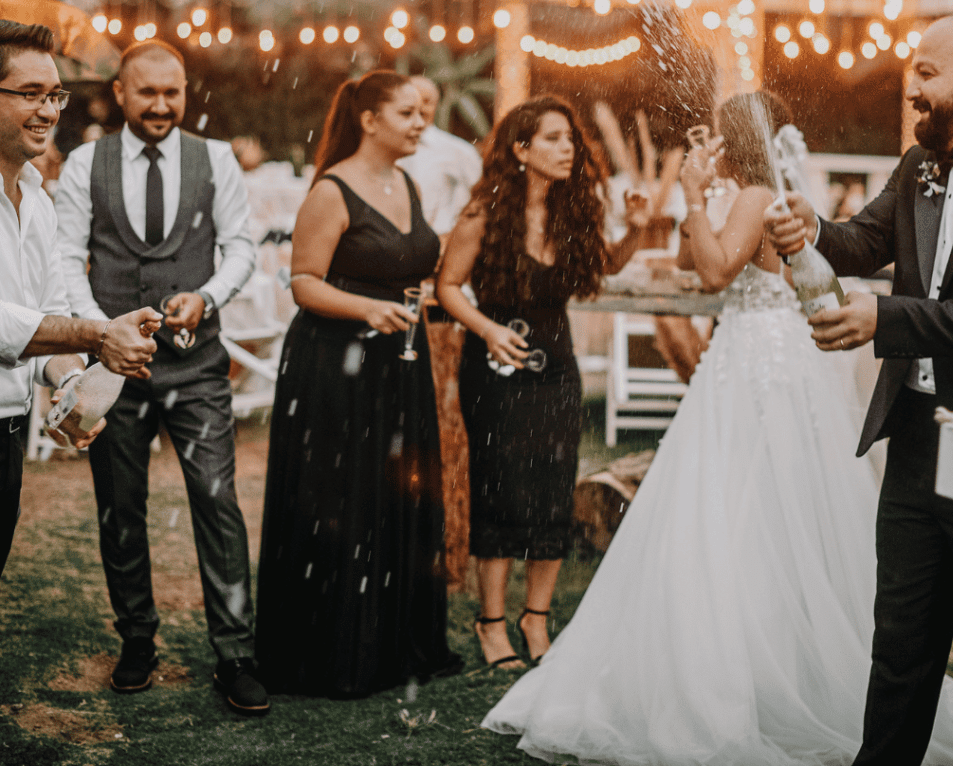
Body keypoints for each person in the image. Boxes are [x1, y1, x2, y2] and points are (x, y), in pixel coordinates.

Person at [482, 91, 953, 765]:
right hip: (742, 355)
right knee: (730, 504)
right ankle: (741, 652)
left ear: (738, 139)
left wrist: (695, 196)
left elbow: (720, 268)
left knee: (747, 507)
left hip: (761, 360)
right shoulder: (746, 194)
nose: (709, 148)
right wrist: (692, 203)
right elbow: (697, 269)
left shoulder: (756, 194)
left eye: (717, 137)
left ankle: (753, 665)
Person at [767, 13, 953, 766]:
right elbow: (863, 242)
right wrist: (812, 227)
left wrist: (885, 319)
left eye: (926, 71)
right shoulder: (922, 163)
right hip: (913, 437)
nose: (912, 87)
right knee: (900, 648)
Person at [54, 39, 264, 716]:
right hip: (114, 373)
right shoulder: (86, 163)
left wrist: (207, 296)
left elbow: (241, 248)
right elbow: (64, 259)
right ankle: (137, 639)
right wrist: (101, 333)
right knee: (120, 509)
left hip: (198, 365)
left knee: (216, 501)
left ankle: (235, 653)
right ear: (121, 92)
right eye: (148, 93)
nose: (162, 106)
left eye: (172, 92)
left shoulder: (217, 159)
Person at [255, 70, 463, 698]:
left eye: (423, 111)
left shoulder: (407, 183)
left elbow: (416, 262)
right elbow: (304, 282)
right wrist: (366, 309)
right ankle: (334, 650)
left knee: (396, 493)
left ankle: (394, 643)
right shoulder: (331, 190)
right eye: (407, 112)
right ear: (369, 120)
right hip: (335, 365)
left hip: (399, 360)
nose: (421, 121)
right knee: (342, 501)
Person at [437, 95, 649, 670]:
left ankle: (536, 619)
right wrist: (485, 330)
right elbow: (448, 286)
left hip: (557, 368)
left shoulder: (573, 211)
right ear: (521, 150)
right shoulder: (484, 213)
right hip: (497, 371)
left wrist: (634, 231)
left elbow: (600, 271)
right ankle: (491, 624)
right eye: (553, 138)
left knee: (552, 491)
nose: (568, 149)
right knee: (500, 490)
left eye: (570, 139)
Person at [0, 20, 158, 577]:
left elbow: (50, 317)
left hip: (9, 431)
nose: (48, 110)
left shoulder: (40, 202)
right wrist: (98, 335)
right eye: (30, 94)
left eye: (55, 95)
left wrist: (72, 386)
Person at [397, 76, 482, 238]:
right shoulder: (388, 146)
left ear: (436, 105)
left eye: (426, 101)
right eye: (412, 101)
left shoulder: (458, 150)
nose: (420, 107)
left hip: (438, 244)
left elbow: (480, 198)